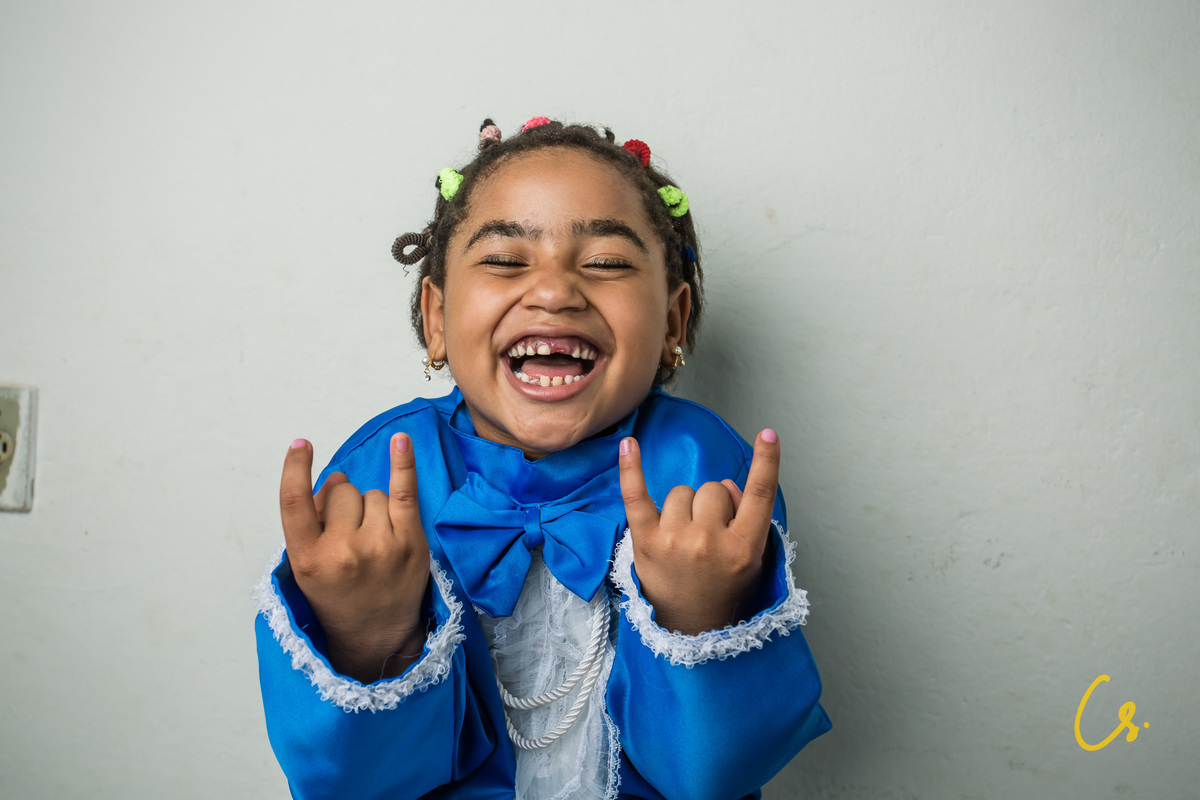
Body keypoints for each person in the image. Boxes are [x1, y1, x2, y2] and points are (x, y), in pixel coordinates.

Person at [254, 117, 831, 800]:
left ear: (673, 322)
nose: (555, 291)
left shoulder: (703, 468)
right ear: (436, 317)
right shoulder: (384, 471)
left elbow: (711, 776)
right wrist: (366, 638)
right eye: (504, 260)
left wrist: (700, 619)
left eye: (607, 263)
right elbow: (350, 786)